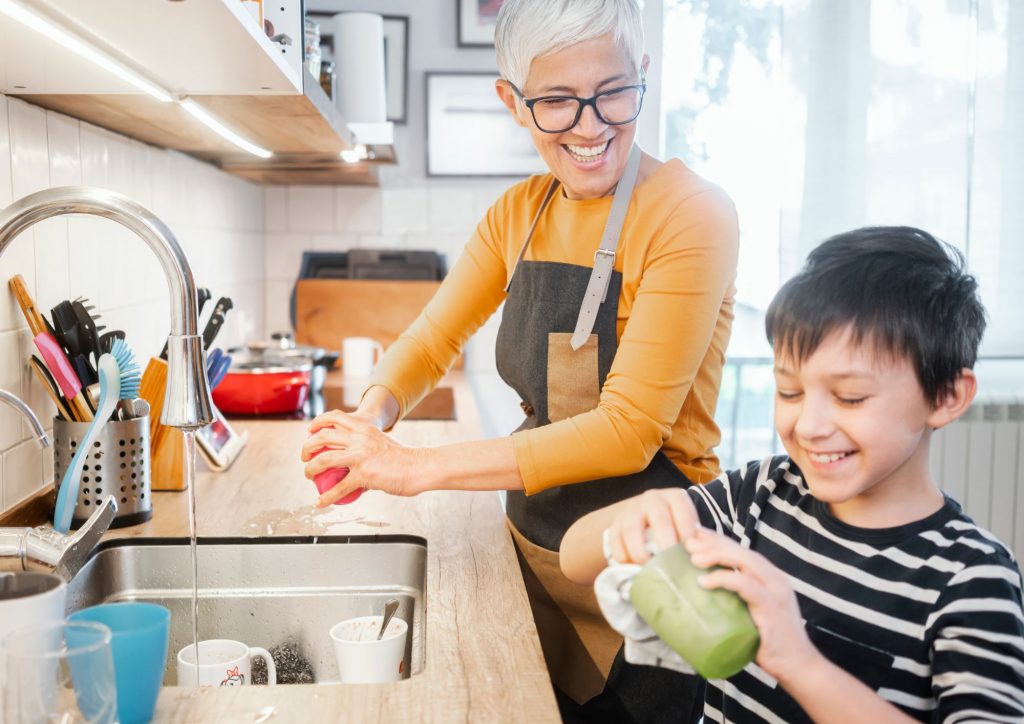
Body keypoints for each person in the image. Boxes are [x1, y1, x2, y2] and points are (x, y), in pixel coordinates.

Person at [301, 0, 738, 718]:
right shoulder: (519, 213)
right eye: (559, 102)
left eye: (614, 93)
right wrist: (368, 419)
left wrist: (417, 468)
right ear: (513, 102)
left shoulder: (690, 213)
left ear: (644, 75)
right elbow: (433, 338)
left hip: (652, 577)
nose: (592, 125)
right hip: (536, 548)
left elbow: (629, 430)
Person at [560, 226, 1024, 722]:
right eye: (790, 392)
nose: (810, 426)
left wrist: (797, 661)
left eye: (850, 398)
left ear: (946, 396)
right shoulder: (764, 493)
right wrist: (637, 516)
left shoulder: (971, 580)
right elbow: (575, 559)